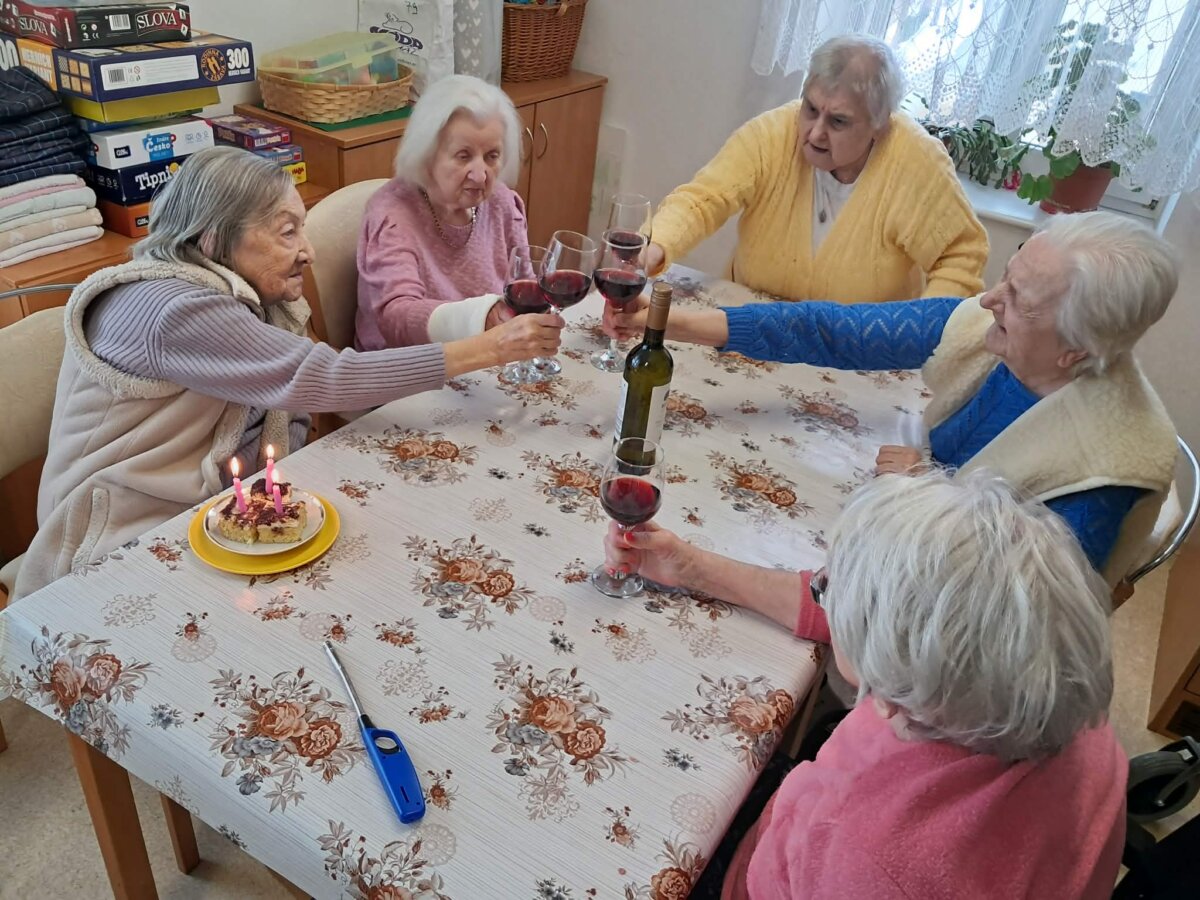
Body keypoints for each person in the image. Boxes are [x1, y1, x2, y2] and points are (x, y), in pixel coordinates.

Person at [14, 146, 563, 600]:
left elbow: (318, 384)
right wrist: (487, 348)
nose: (308, 251)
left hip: (214, 510)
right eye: (286, 232)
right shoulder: (172, 309)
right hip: (114, 541)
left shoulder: (242, 295)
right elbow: (326, 378)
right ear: (213, 240)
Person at [604, 471, 1126, 899]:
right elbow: (896, 616)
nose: (820, 586)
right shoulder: (1050, 687)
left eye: (831, 588)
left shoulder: (870, 863)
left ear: (901, 673)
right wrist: (690, 567)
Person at [608, 211, 1178, 582]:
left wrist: (934, 492)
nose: (988, 300)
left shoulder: (1102, 474)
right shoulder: (997, 331)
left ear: (1077, 350)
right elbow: (830, 331)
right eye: (1005, 276)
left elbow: (999, 610)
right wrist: (664, 322)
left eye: (1018, 298)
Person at [646, 34, 988, 302]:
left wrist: (918, 331)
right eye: (810, 109)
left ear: (879, 125)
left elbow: (960, 256)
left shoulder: (916, 161)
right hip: (751, 329)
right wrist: (655, 244)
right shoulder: (771, 134)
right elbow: (702, 200)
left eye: (838, 121)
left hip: (859, 353)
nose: (815, 133)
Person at [356, 74, 530, 350]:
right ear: (427, 154)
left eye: (492, 156)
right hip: (411, 366)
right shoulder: (393, 215)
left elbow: (525, 287)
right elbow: (396, 317)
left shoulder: (502, 203)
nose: (480, 175)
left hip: (490, 356)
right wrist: (477, 319)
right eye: (463, 156)